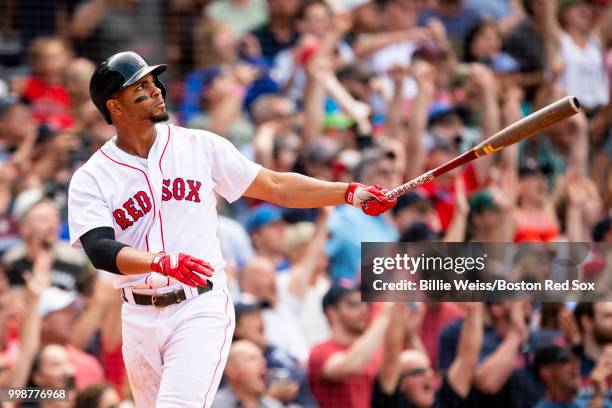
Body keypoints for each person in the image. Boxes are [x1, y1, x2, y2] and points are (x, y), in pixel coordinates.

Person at [67, 51, 396, 408]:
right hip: (137, 315)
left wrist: (348, 193)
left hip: (199, 305)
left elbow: (275, 184)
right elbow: (100, 248)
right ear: (115, 107)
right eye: (142, 88)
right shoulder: (92, 177)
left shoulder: (198, 145)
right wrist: (159, 262)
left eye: (154, 81)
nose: (157, 90)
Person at [307, 285, 395, 408]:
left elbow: (390, 381)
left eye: (365, 304)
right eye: (354, 304)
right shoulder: (320, 351)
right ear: (332, 312)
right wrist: (384, 316)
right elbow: (351, 366)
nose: (364, 310)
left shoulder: (368, 352)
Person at [212, 340, 284, 408]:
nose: (263, 362)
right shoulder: (212, 405)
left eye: (262, 358)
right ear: (230, 370)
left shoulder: (274, 406)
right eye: (252, 358)